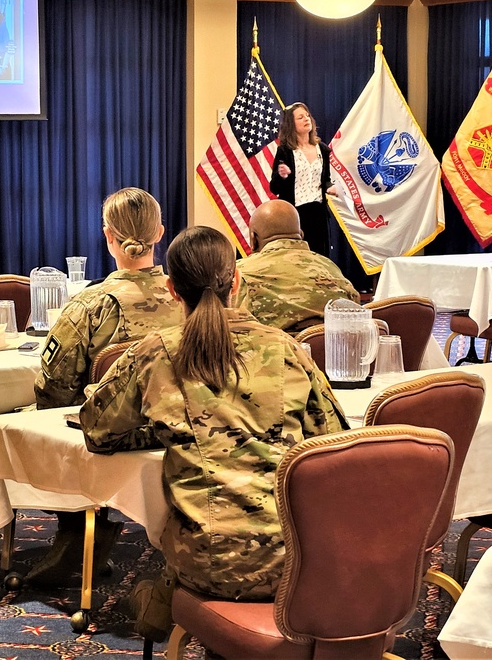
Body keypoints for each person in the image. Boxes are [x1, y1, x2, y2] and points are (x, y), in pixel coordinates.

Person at [81, 225, 347, 642]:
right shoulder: (286, 348)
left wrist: (168, 431)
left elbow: (97, 432)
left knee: (152, 586)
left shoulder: (155, 352)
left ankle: (164, 606)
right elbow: (333, 443)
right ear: (236, 281)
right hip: (299, 560)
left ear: (171, 289)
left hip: (211, 564)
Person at [28, 187, 183, 587]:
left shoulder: (89, 305)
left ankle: (77, 529)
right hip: (184, 431)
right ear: (160, 232)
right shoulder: (188, 296)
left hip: (112, 438)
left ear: (108, 235)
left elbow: (52, 388)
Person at [237, 199, 359, 334]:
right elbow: (356, 311)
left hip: (276, 353)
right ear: (301, 234)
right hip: (335, 352)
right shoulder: (331, 268)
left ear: (253, 239)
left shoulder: (241, 273)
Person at [269, 102, 337, 257]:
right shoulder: (285, 151)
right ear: (291, 125)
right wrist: (282, 176)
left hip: (318, 213)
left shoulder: (323, 149)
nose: (306, 119)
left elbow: (325, 179)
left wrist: (330, 187)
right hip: (295, 215)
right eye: (300, 117)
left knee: (320, 258)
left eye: (307, 115)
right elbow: (274, 188)